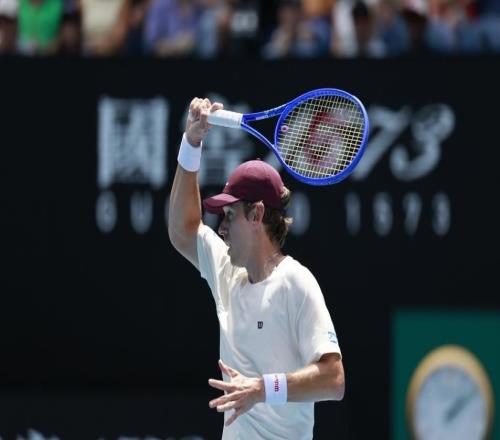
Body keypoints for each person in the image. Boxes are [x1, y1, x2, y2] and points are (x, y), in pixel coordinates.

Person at [168, 97, 345, 440]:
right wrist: (191, 142)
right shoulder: (227, 271)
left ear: (257, 215)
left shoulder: (296, 282)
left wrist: (264, 389)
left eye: (229, 216)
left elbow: (334, 379)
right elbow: (182, 230)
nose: (220, 228)